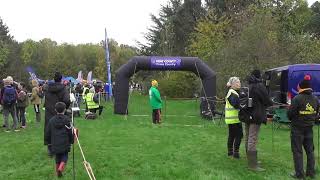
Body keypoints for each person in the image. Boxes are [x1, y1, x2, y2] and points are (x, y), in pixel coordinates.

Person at [287, 75, 319, 179]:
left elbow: (290, 114)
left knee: (297, 151)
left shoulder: (297, 98)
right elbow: (316, 114)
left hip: (297, 128)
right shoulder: (315, 99)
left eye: (298, 87)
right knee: (310, 151)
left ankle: (299, 174)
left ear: (301, 87)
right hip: (309, 128)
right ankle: (311, 172)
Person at [244, 70, 272, 171]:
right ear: (259, 76)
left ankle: (251, 160)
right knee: (253, 138)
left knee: (248, 136)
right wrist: (271, 103)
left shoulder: (249, 85)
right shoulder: (259, 86)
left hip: (247, 115)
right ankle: (252, 165)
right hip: (256, 115)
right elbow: (266, 100)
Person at [44, 72, 70, 157]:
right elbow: (66, 100)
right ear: (61, 79)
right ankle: (60, 149)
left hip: (49, 111)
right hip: (60, 111)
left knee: (49, 130)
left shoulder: (48, 88)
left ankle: (50, 150)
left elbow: (46, 99)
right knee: (61, 130)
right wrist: (64, 108)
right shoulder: (63, 89)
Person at [45, 102, 74, 177]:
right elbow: (70, 131)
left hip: (55, 142)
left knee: (57, 157)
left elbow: (47, 132)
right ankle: (61, 168)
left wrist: (48, 143)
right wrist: (71, 140)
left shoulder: (51, 120)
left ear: (55, 110)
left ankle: (58, 172)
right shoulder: (67, 120)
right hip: (65, 142)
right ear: (65, 110)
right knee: (65, 156)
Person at [225, 77, 243, 159]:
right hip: (234, 119)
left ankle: (230, 152)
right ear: (232, 84)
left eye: (239, 82)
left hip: (231, 118)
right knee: (239, 135)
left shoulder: (232, 92)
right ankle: (236, 153)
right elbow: (235, 104)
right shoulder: (233, 93)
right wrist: (242, 106)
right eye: (237, 82)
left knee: (232, 135)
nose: (239, 84)